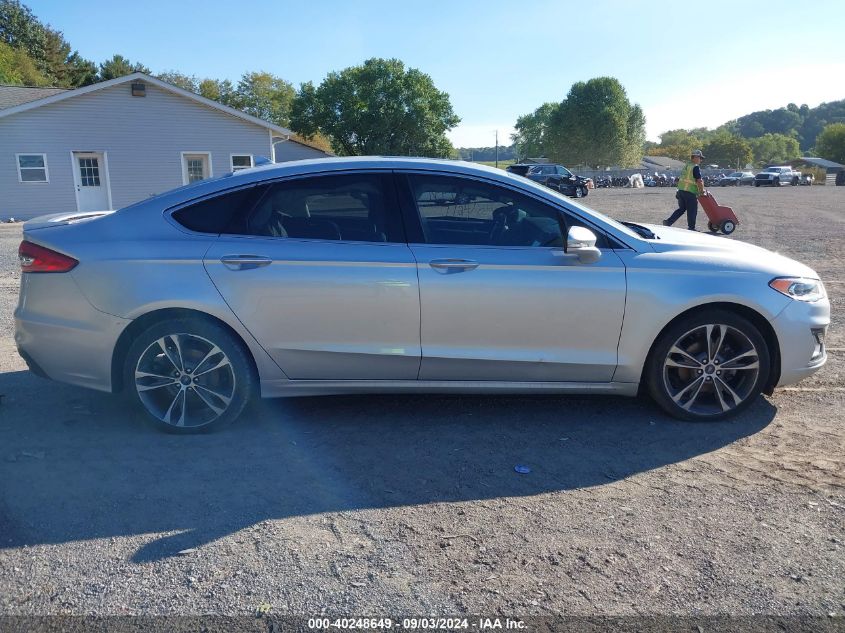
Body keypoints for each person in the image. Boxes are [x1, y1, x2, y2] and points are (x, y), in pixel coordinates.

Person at [664, 150, 706, 230]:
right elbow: (699, 181)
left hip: (681, 191)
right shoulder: (695, 167)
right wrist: (701, 191)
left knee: (681, 209)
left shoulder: (687, 165)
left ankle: (668, 222)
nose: (701, 160)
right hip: (690, 192)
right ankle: (691, 228)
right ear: (695, 157)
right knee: (692, 210)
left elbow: (682, 179)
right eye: (700, 158)